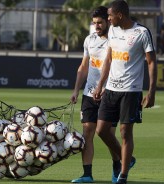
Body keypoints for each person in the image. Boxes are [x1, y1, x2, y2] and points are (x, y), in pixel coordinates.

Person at [93, 1, 157, 184]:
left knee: (124, 132)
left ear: (120, 15)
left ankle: (123, 175)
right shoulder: (112, 31)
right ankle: (127, 159)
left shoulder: (142, 33)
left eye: (110, 16)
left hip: (131, 91)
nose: (108, 19)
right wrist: (100, 85)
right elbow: (109, 58)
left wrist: (151, 91)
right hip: (111, 89)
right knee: (102, 130)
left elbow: (151, 62)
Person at [70, 6, 123, 183]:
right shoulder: (89, 40)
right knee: (87, 133)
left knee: (108, 134)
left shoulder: (116, 40)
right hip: (89, 94)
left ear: (108, 21)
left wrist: (106, 88)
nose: (97, 26)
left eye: (99, 22)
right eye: (94, 23)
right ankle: (87, 175)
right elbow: (84, 66)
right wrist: (76, 90)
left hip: (110, 94)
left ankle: (117, 167)